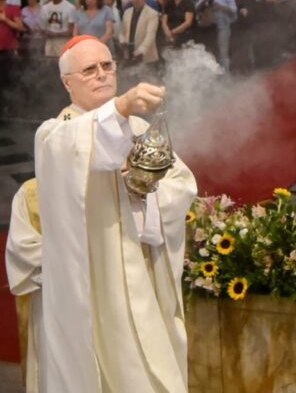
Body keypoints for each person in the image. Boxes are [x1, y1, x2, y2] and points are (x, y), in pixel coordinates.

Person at [4, 35, 197, 393]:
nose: (102, 75)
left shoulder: (140, 130)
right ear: (67, 82)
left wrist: (142, 194)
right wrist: (122, 107)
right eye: (89, 69)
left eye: (107, 66)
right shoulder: (53, 135)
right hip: (87, 294)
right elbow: (76, 147)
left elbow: (182, 185)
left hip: (140, 287)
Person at [119, 0, 160, 65]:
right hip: (129, 55)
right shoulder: (127, 12)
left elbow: (150, 35)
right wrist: (122, 41)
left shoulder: (152, 14)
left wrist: (141, 51)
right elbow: (122, 32)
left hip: (147, 58)